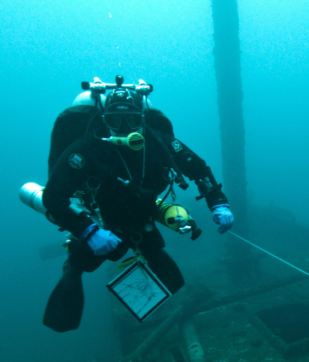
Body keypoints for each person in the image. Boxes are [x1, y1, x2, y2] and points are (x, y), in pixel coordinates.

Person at [39, 76, 234, 332]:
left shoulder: (161, 143)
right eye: (114, 120)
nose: (123, 127)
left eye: (131, 119)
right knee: (79, 264)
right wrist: (88, 231)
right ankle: (72, 266)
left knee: (173, 283)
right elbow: (53, 196)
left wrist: (218, 203)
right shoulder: (86, 149)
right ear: (104, 120)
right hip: (101, 223)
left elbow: (199, 169)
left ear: (141, 119)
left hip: (143, 222)